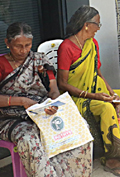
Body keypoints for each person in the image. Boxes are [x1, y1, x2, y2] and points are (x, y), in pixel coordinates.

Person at [57, 6, 120, 177]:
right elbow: (62, 84)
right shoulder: (67, 47)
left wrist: (110, 92)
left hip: (96, 90)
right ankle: (112, 158)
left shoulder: (93, 44)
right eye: (97, 24)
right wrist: (93, 96)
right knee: (106, 108)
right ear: (86, 25)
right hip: (78, 97)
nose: (99, 28)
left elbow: (98, 73)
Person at [0, 22, 92, 177]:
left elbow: (54, 90)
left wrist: (53, 105)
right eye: (18, 46)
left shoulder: (39, 61)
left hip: (42, 112)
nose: (23, 51)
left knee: (79, 127)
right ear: (7, 43)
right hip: (10, 117)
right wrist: (22, 101)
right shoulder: (1, 65)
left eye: (28, 45)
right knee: (29, 139)